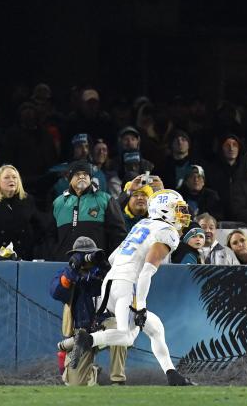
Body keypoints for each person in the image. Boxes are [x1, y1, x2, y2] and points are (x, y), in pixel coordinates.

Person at [66, 190, 194, 386]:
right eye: (178, 210)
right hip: (127, 285)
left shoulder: (142, 224)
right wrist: (140, 306)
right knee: (126, 337)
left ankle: (172, 374)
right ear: (163, 210)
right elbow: (146, 273)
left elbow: (112, 259)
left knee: (155, 328)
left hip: (111, 282)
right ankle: (86, 340)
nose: (182, 214)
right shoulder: (167, 232)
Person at [52, 237, 127, 385]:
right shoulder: (67, 274)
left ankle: (117, 380)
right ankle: (93, 372)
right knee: (75, 384)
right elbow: (56, 292)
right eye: (83, 255)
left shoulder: (103, 272)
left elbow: (122, 289)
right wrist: (72, 270)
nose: (88, 260)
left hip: (104, 324)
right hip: (82, 334)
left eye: (90, 255)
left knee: (118, 327)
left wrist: (106, 269)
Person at [52, 160, 127, 261]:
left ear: (90, 178)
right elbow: (51, 236)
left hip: (96, 266)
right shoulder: (58, 203)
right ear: (69, 179)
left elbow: (118, 234)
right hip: (63, 265)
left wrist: (112, 262)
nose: (82, 177)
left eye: (85, 174)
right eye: (77, 174)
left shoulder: (105, 199)